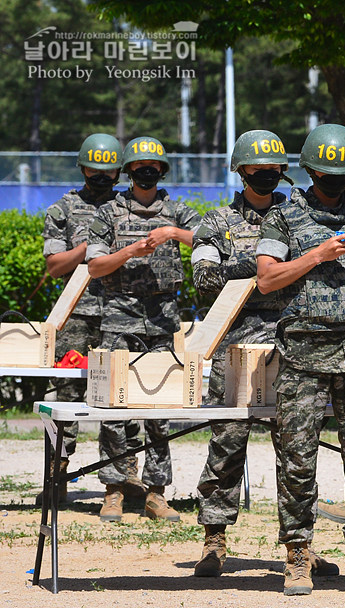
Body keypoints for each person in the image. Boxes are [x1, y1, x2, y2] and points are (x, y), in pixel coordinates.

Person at [256, 123, 345, 596]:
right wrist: (317, 254)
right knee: (297, 461)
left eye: (342, 176)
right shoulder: (283, 218)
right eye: (326, 175)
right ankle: (298, 556)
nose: (334, 184)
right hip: (303, 355)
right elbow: (266, 280)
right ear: (310, 172)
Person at [190, 129, 337, 579]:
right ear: (241, 171)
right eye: (259, 169)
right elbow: (204, 279)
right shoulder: (215, 224)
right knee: (228, 443)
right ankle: (214, 538)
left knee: (297, 450)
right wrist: (264, 269)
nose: (268, 175)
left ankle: (300, 544)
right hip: (235, 347)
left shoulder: (298, 217)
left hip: (292, 343)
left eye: (274, 169)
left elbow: (318, 272)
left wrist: (275, 271)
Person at [86, 135, 200, 523]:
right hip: (119, 317)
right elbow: (94, 267)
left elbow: (209, 241)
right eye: (139, 167)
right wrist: (130, 251)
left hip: (164, 319)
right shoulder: (108, 213)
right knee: (113, 407)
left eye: (153, 167)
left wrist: (172, 233)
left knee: (161, 408)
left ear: (162, 171)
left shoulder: (177, 210)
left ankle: (155, 492)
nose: (146, 172)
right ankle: (115, 489)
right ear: (129, 172)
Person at [39, 133, 142, 503]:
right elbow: (54, 267)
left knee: (123, 398)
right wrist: (90, 247)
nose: (102, 177)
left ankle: (126, 481)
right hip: (78, 315)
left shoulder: (130, 207)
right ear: (82, 168)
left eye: (109, 172)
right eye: (94, 170)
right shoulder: (62, 210)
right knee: (66, 399)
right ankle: (57, 476)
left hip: (122, 313)